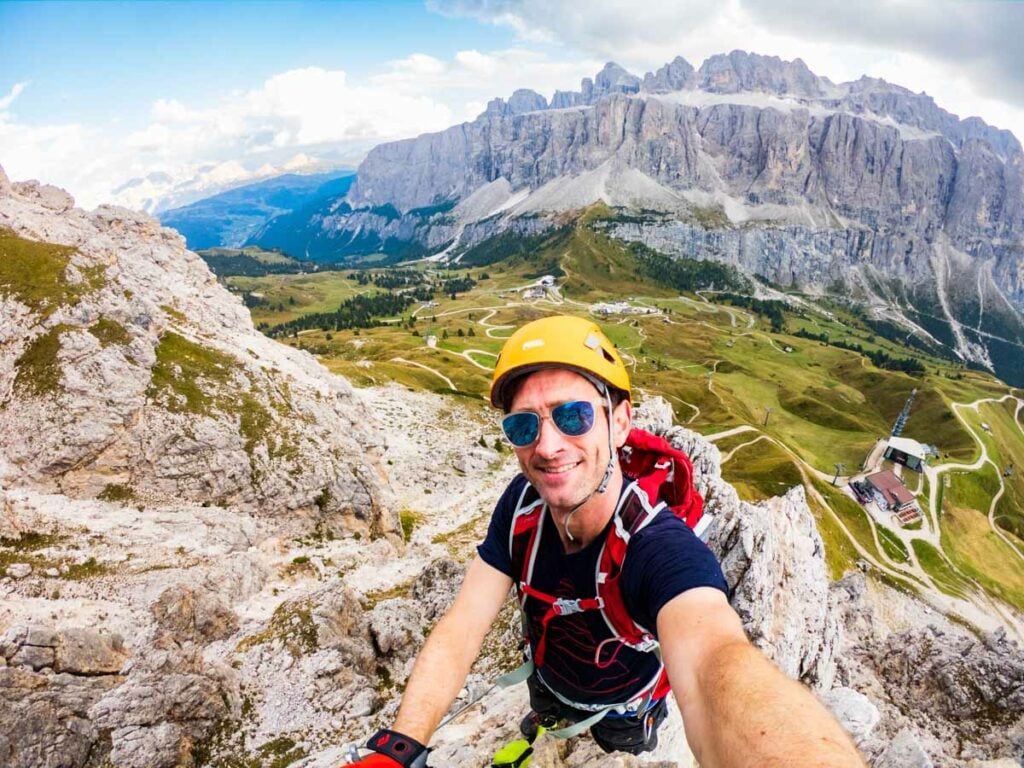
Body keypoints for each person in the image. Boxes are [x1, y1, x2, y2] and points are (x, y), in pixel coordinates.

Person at [350, 315, 865, 768]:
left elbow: (715, 662)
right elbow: (463, 625)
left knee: (620, 746)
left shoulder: (658, 548)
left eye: (573, 416)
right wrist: (399, 746)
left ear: (618, 422)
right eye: (523, 425)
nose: (547, 447)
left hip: (625, 703)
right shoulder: (521, 507)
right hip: (550, 682)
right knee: (548, 715)